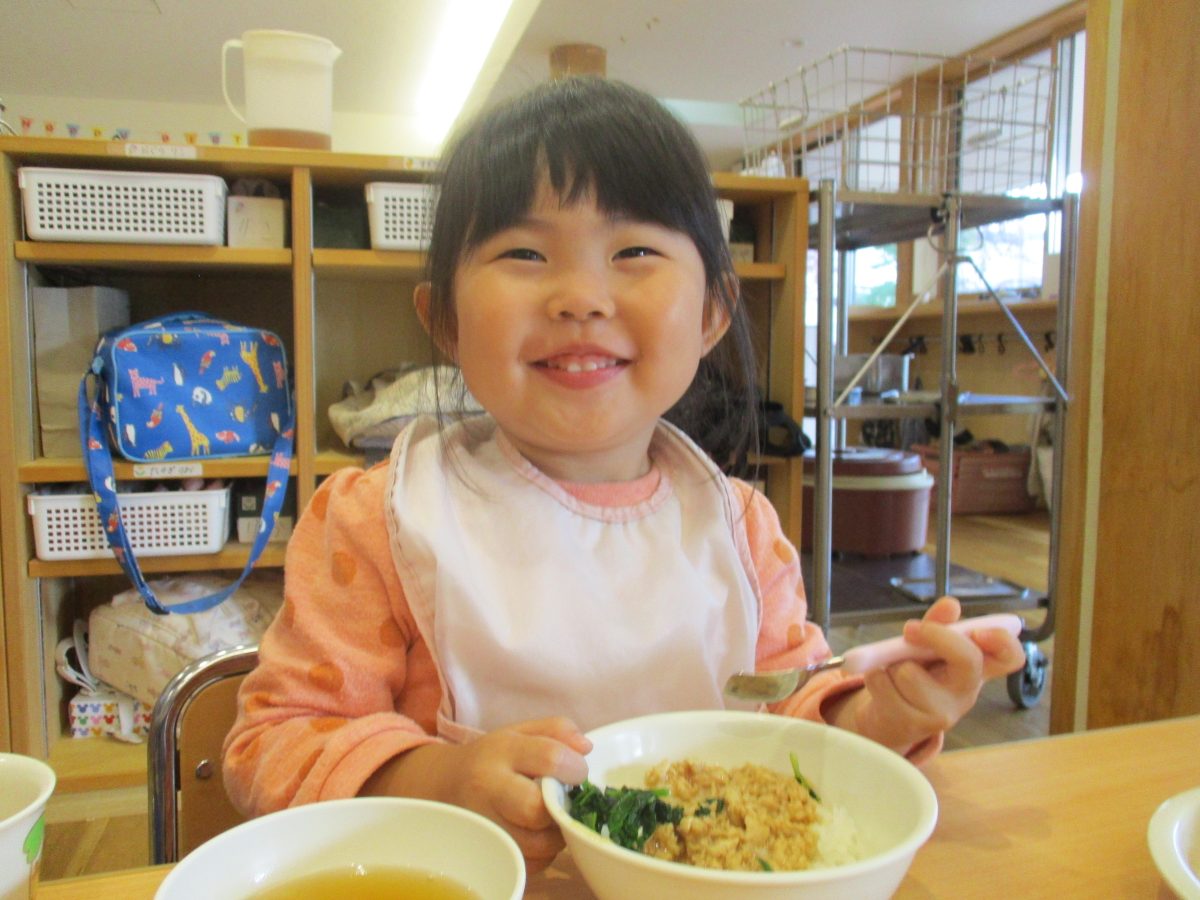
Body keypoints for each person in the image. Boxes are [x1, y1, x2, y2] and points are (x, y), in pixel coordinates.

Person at [223, 76, 1025, 872]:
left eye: (635, 250)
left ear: (713, 313)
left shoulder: (740, 527)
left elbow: (790, 718)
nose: (581, 297)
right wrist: (440, 779)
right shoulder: (379, 520)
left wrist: (883, 714)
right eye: (524, 253)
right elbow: (274, 746)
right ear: (445, 322)